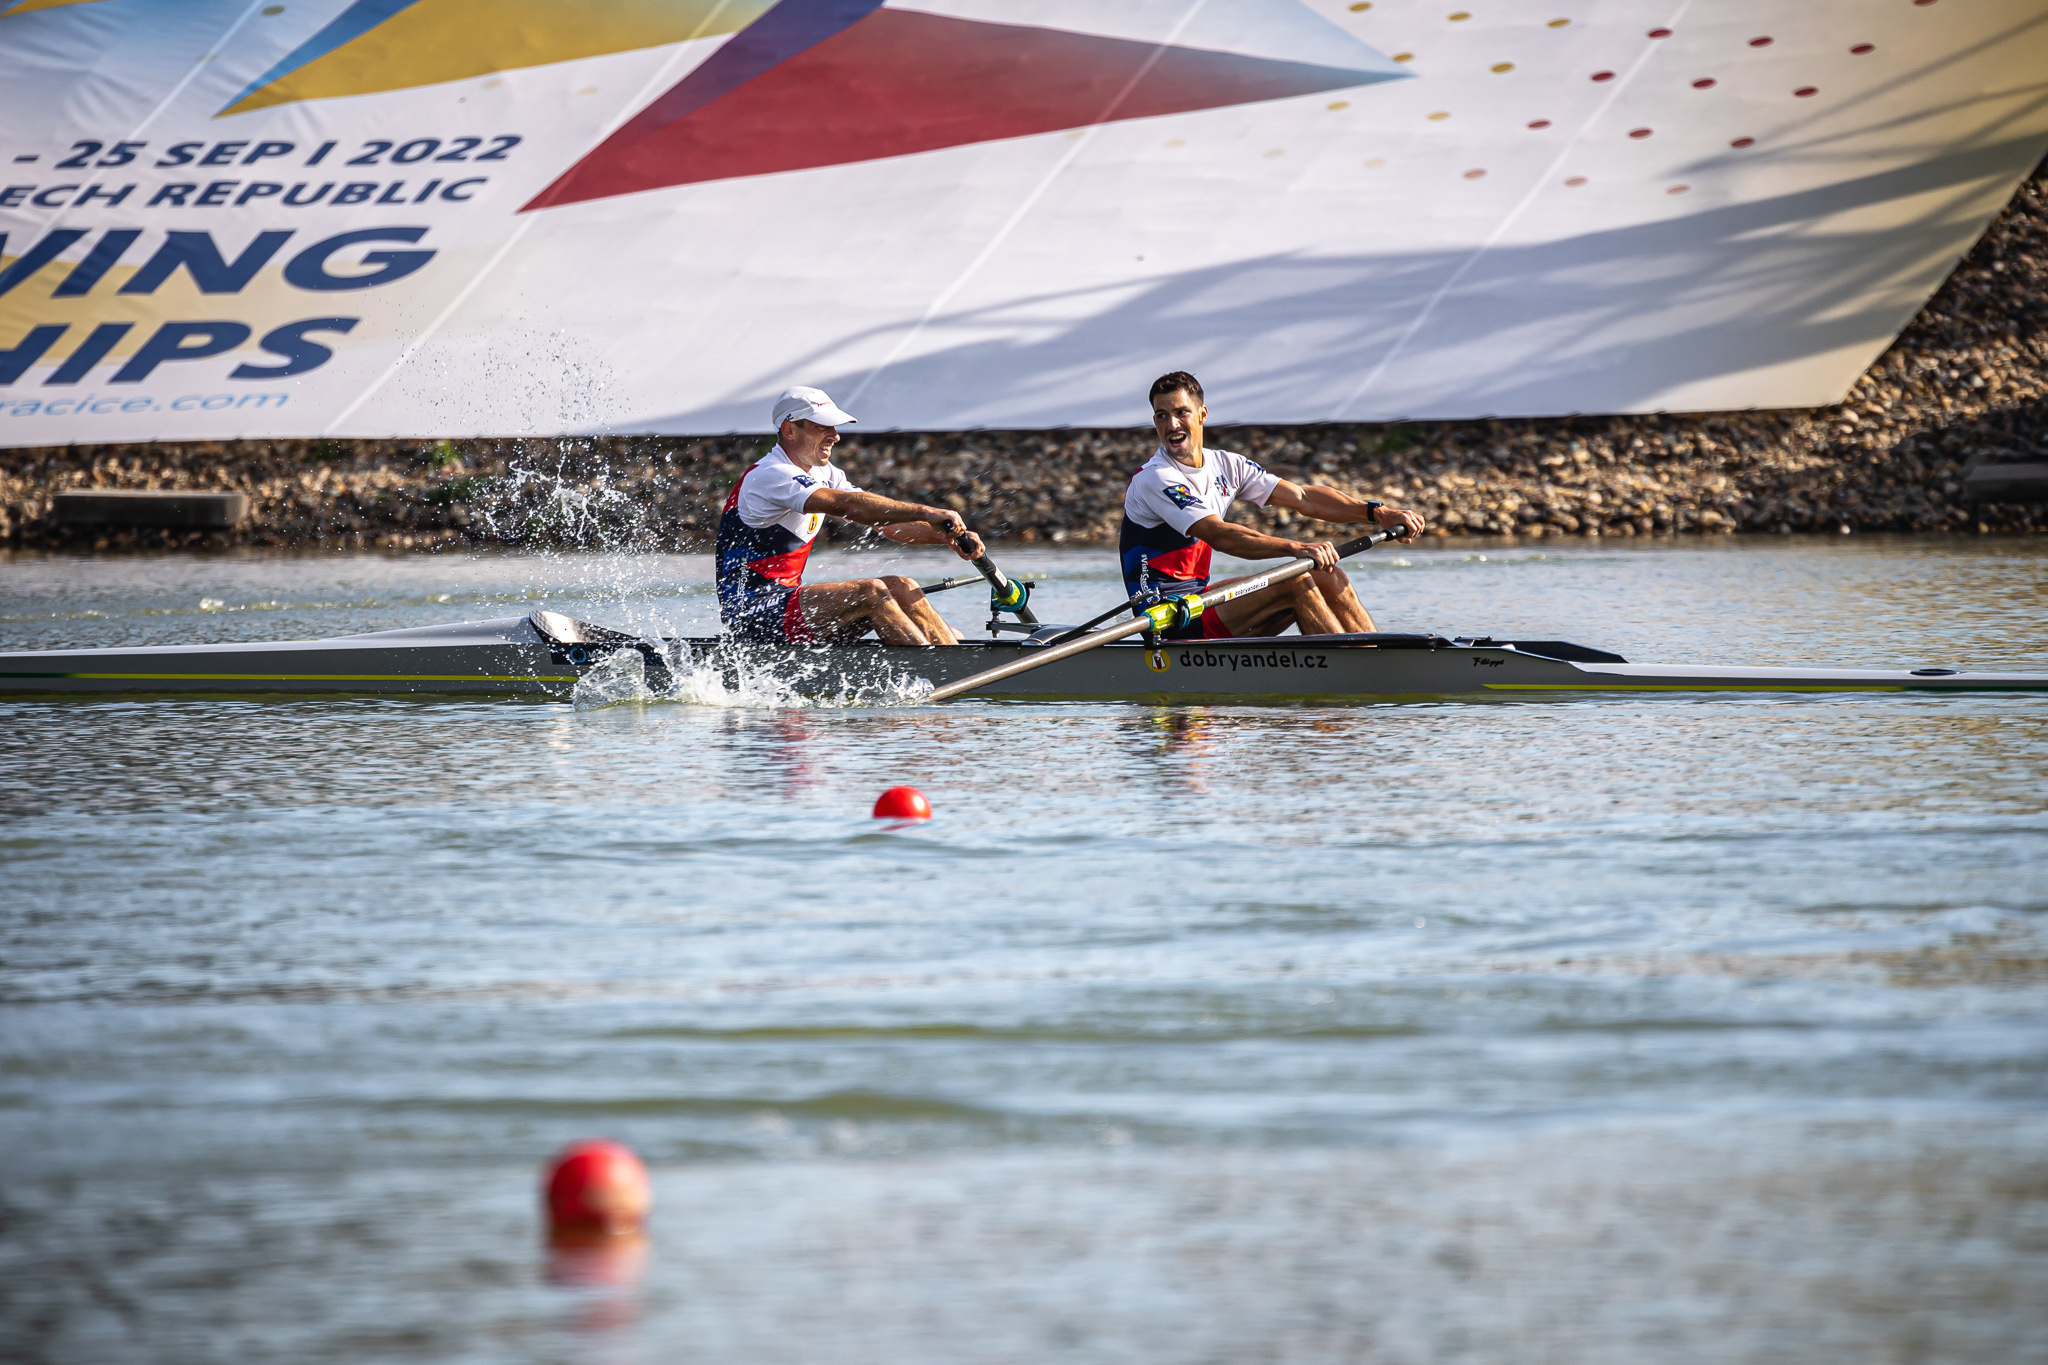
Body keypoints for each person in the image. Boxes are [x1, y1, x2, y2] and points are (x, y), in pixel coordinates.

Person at [1120, 371, 1424, 638]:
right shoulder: (1156, 479)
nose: (1171, 424)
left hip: (1200, 601)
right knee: (1296, 579)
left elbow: (1303, 498)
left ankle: (1374, 654)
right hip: (1165, 616)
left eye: (1181, 412)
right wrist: (1295, 548)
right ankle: (1348, 676)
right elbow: (1219, 534)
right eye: (1162, 415)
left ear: (1202, 414)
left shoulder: (1228, 465)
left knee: (1325, 573)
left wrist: (1376, 512)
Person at [717, 386, 983, 645]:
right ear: (789, 429)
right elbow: (851, 506)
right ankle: (935, 671)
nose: (835, 436)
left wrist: (946, 535)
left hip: (787, 605)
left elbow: (887, 524)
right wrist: (926, 511)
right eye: (823, 427)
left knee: (902, 586)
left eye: (834, 428)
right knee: (871, 591)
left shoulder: (824, 473)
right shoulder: (770, 474)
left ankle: (951, 657)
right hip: (751, 614)